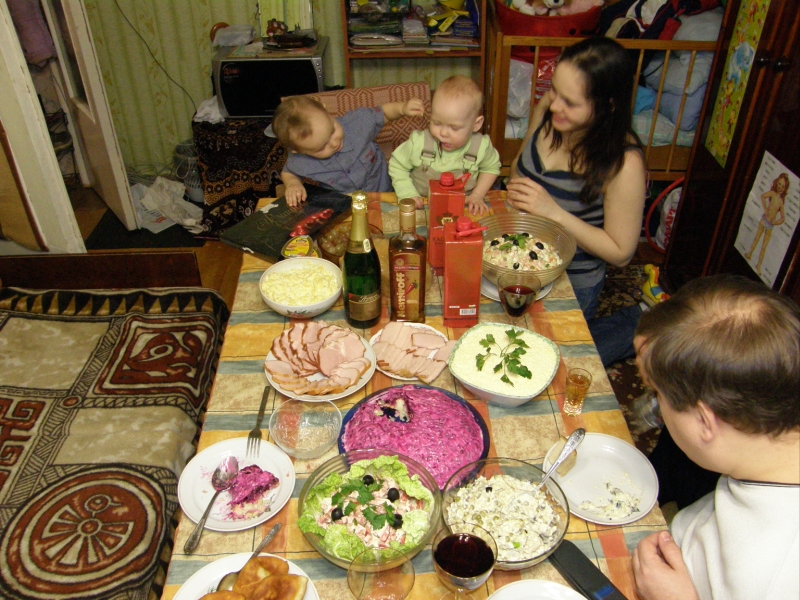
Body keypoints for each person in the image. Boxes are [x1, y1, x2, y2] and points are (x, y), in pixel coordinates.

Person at [630, 274, 799, 600]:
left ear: (705, 422)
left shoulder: (773, 578)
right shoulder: (765, 449)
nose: (655, 406)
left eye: (657, 394)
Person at [505, 37, 647, 366]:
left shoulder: (624, 163)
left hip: (570, 279)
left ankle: (637, 322)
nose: (555, 105)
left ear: (607, 106)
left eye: (570, 102)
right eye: (554, 90)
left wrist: (553, 212)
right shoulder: (550, 110)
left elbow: (621, 252)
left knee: (541, 365)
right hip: (519, 260)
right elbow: (517, 170)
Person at [272, 95, 425, 206]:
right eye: (322, 147)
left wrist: (402, 108)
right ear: (297, 151)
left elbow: (383, 113)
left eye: (332, 130)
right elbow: (289, 172)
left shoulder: (356, 123)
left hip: (387, 191)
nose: (334, 143)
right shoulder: (301, 160)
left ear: (326, 110)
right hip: (345, 204)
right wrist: (293, 184)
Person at [389, 75, 501, 215]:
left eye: (454, 128)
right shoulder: (419, 142)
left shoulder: (481, 146)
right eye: (436, 123)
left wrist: (477, 195)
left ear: (476, 124)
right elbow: (397, 165)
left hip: (463, 203)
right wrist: (407, 193)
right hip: (421, 204)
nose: (443, 133)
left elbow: (491, 168)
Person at [745, 172, 788, 275]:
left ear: (785, 188)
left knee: (764, 246)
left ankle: (758, 265)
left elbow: (783, 218)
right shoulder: (772, 193)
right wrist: (765, 208)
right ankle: (750, 253)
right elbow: (763, 196)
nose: (780, 187)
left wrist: (775, 222)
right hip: (764, 219)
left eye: (783, 186)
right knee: (757, 238)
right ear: (776, 183)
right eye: (779, 184)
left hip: (770, 225)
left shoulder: (781, 202)